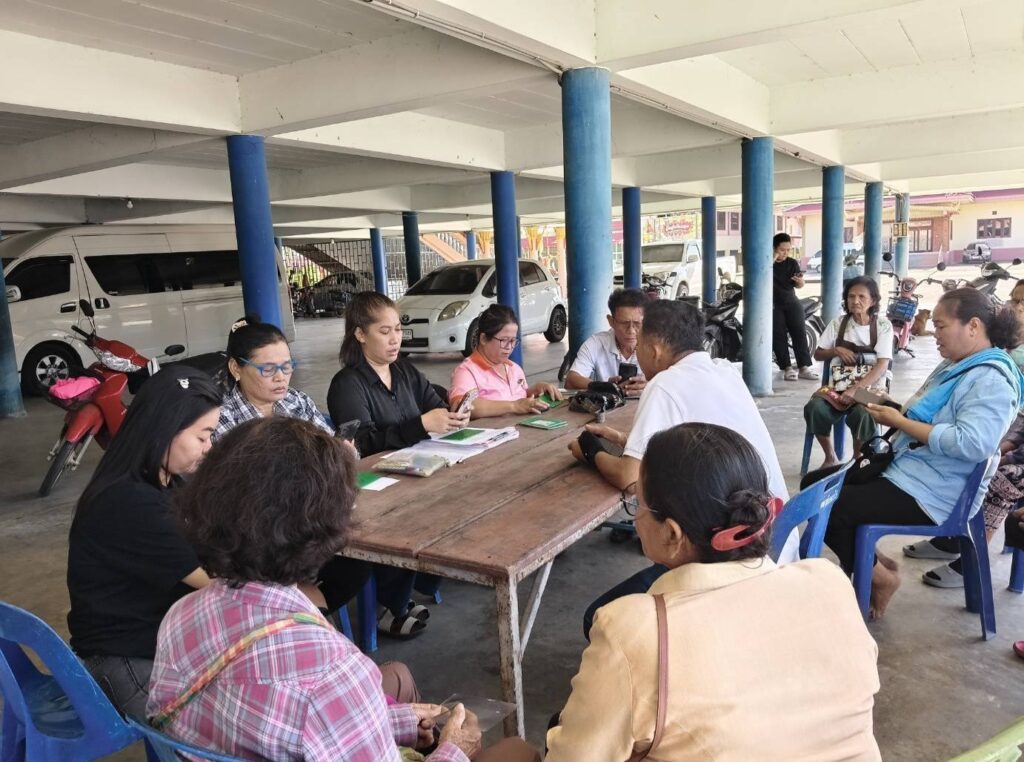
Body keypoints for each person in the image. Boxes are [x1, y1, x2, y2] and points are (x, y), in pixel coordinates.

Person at [148, 417, 538, 762]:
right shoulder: (331, 673)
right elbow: (320, 707)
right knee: (518, 751)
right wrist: (455, 750)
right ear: (325, 527)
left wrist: (394, 723)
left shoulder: (181, 615)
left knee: (398, 677)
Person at [546, 423, 881, 762]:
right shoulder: (830, 581)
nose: (635, 520)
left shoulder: (635, 629)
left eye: (639, 505)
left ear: (672, 534)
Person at [567, 299, 795, 638]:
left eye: (640, 344)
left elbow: (629, 477)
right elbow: (697, 437)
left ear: (655, 349)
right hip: (770, 534)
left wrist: (590, 453)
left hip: (732, 555)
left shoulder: (664, 384)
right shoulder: (723, 370)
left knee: (598, 618)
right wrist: (627, 440)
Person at [822, 288, 1022, 619]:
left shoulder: (992, 379)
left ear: (973, 326)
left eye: (941, 326)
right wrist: (891, 409)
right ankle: (875, 564)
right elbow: (931, 417)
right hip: (914, 470)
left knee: (831, 507)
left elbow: (973, 443)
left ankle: (881, 579)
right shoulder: (958, 366)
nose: (933, 333)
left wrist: (900, 422)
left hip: (936, 492)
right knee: (819, 484)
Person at [66, 366, 221, 718]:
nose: (209, 447)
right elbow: (216, 585)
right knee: (246, 719)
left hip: (152, 644)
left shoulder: (164, 481)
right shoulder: (131, 501)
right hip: (124, 662)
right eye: (203, 436)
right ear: (166, 429)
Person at [328, 291, 469, 638]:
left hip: (419, 470)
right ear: (360, 334)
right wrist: (420, 425)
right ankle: (388, 604)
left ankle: (410, 587)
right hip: (377, 484)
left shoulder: (404, 370)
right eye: (384, 331)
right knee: (405, 521)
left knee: (458, 503)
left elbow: (435, 404)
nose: (395, 339)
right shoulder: (348, 384)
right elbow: (362, 445)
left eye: (398, 330)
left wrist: (453, 416)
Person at [214, 315, 369, 624]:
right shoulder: (222, 418)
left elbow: (328, 455)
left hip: (309, 519)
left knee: (359, 563)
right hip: (259, 537)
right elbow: (244, 490)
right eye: (268, 369)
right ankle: (296, 617)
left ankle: (305, 617)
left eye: (287, 367)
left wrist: (341, 453)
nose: (281, 378)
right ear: (236, 368)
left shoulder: (296, 402)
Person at [904, 284, 1024, 586]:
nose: (1018, 307)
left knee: (1001, 475)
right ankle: (950, 541)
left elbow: (980, 435)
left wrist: (1005, 450)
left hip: (1011, 440)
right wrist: (1004, 443)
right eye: (1015, 299)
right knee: (986, 457)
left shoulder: (997, 367)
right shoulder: (995, 351)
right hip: (1011, 428)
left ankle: (970, 561)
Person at [803, 276, 893, 468]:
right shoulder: (838, 324)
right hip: (837, 388)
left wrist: (856, 390)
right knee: (815, 407)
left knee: (864, 413)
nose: (855, 301)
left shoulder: (883, 326)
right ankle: (830, 457)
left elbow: (882, 365)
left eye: (862, 296)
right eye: (851, 296)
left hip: (870, 390)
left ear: (873, 301)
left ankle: (857, 458)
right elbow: (818, 354)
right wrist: (836, 350)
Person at [449, 305, 561, 418]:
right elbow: (460, 407)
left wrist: (534, 391)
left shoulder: (514, 368)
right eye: (504, 340)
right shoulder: (466, 371)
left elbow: (516, 398)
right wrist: (514, 406)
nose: (509, 347)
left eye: (513, 341)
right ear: (483, 339)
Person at [564, 287, 647, 395]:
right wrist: (604, 387)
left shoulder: (655, 346)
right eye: (624, 323)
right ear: (611, 321)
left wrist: (650, 384)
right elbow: (571, 381)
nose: (631, 330)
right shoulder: (596, 343)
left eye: (637, 323)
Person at [772, 232, 818, 381]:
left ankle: (804, 368)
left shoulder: (792, 263)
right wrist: (772, 259)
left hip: (791, 301)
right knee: (778, 335)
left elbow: (799, 285)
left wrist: (800, 282)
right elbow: (762, 273)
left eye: (788, 250)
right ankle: (787, 368)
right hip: (774, 305)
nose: (785, 253)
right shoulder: (767, 263)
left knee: (799, 333)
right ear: (774, 248)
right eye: (782, 250)